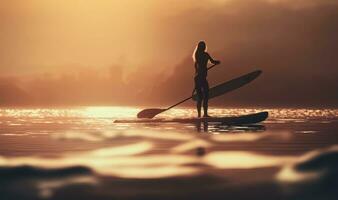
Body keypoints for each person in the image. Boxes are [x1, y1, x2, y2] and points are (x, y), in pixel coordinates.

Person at [193, 41, 220, 118]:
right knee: (201, 97)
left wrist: (216, 62)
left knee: (205, 96)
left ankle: (204, 114)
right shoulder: (198, 55)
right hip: (199, 78)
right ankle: (199, 116)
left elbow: (212, 61)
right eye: (201, 46)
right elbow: (210, 62)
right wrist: (216, 62)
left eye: (203, 46)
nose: (202, 48)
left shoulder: (203, 55)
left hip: (201, 79)